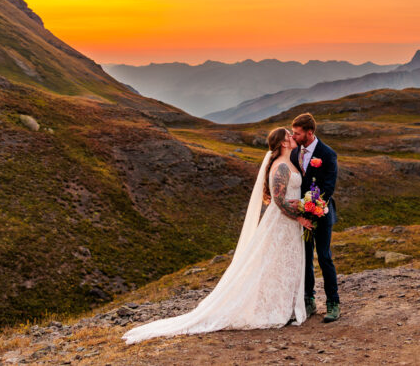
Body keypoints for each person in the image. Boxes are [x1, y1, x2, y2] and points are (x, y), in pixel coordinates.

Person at [121, 127, 312, 344]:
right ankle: (274, 309)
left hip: (289, 224)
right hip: (281, 223)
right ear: (284, 143)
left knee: (283, 265)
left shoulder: (288, 162)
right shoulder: (281, 167)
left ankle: (284, 306)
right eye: (289, 135)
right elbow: (279, 201)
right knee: (275, 264)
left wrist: (305, 207)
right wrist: (300, 216)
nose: (292, 137)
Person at [289, 112, 340, 322]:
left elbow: (328, 187)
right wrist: (300, 211)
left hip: (321, 213)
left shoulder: (327, 154)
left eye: (297, 133)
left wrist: (311, 207)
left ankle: (333, 303)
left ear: (309, 133)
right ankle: (308, 301)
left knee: (324, 257)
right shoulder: (294, 153)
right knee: (306, 258)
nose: (293, 136)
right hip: (301, 217)